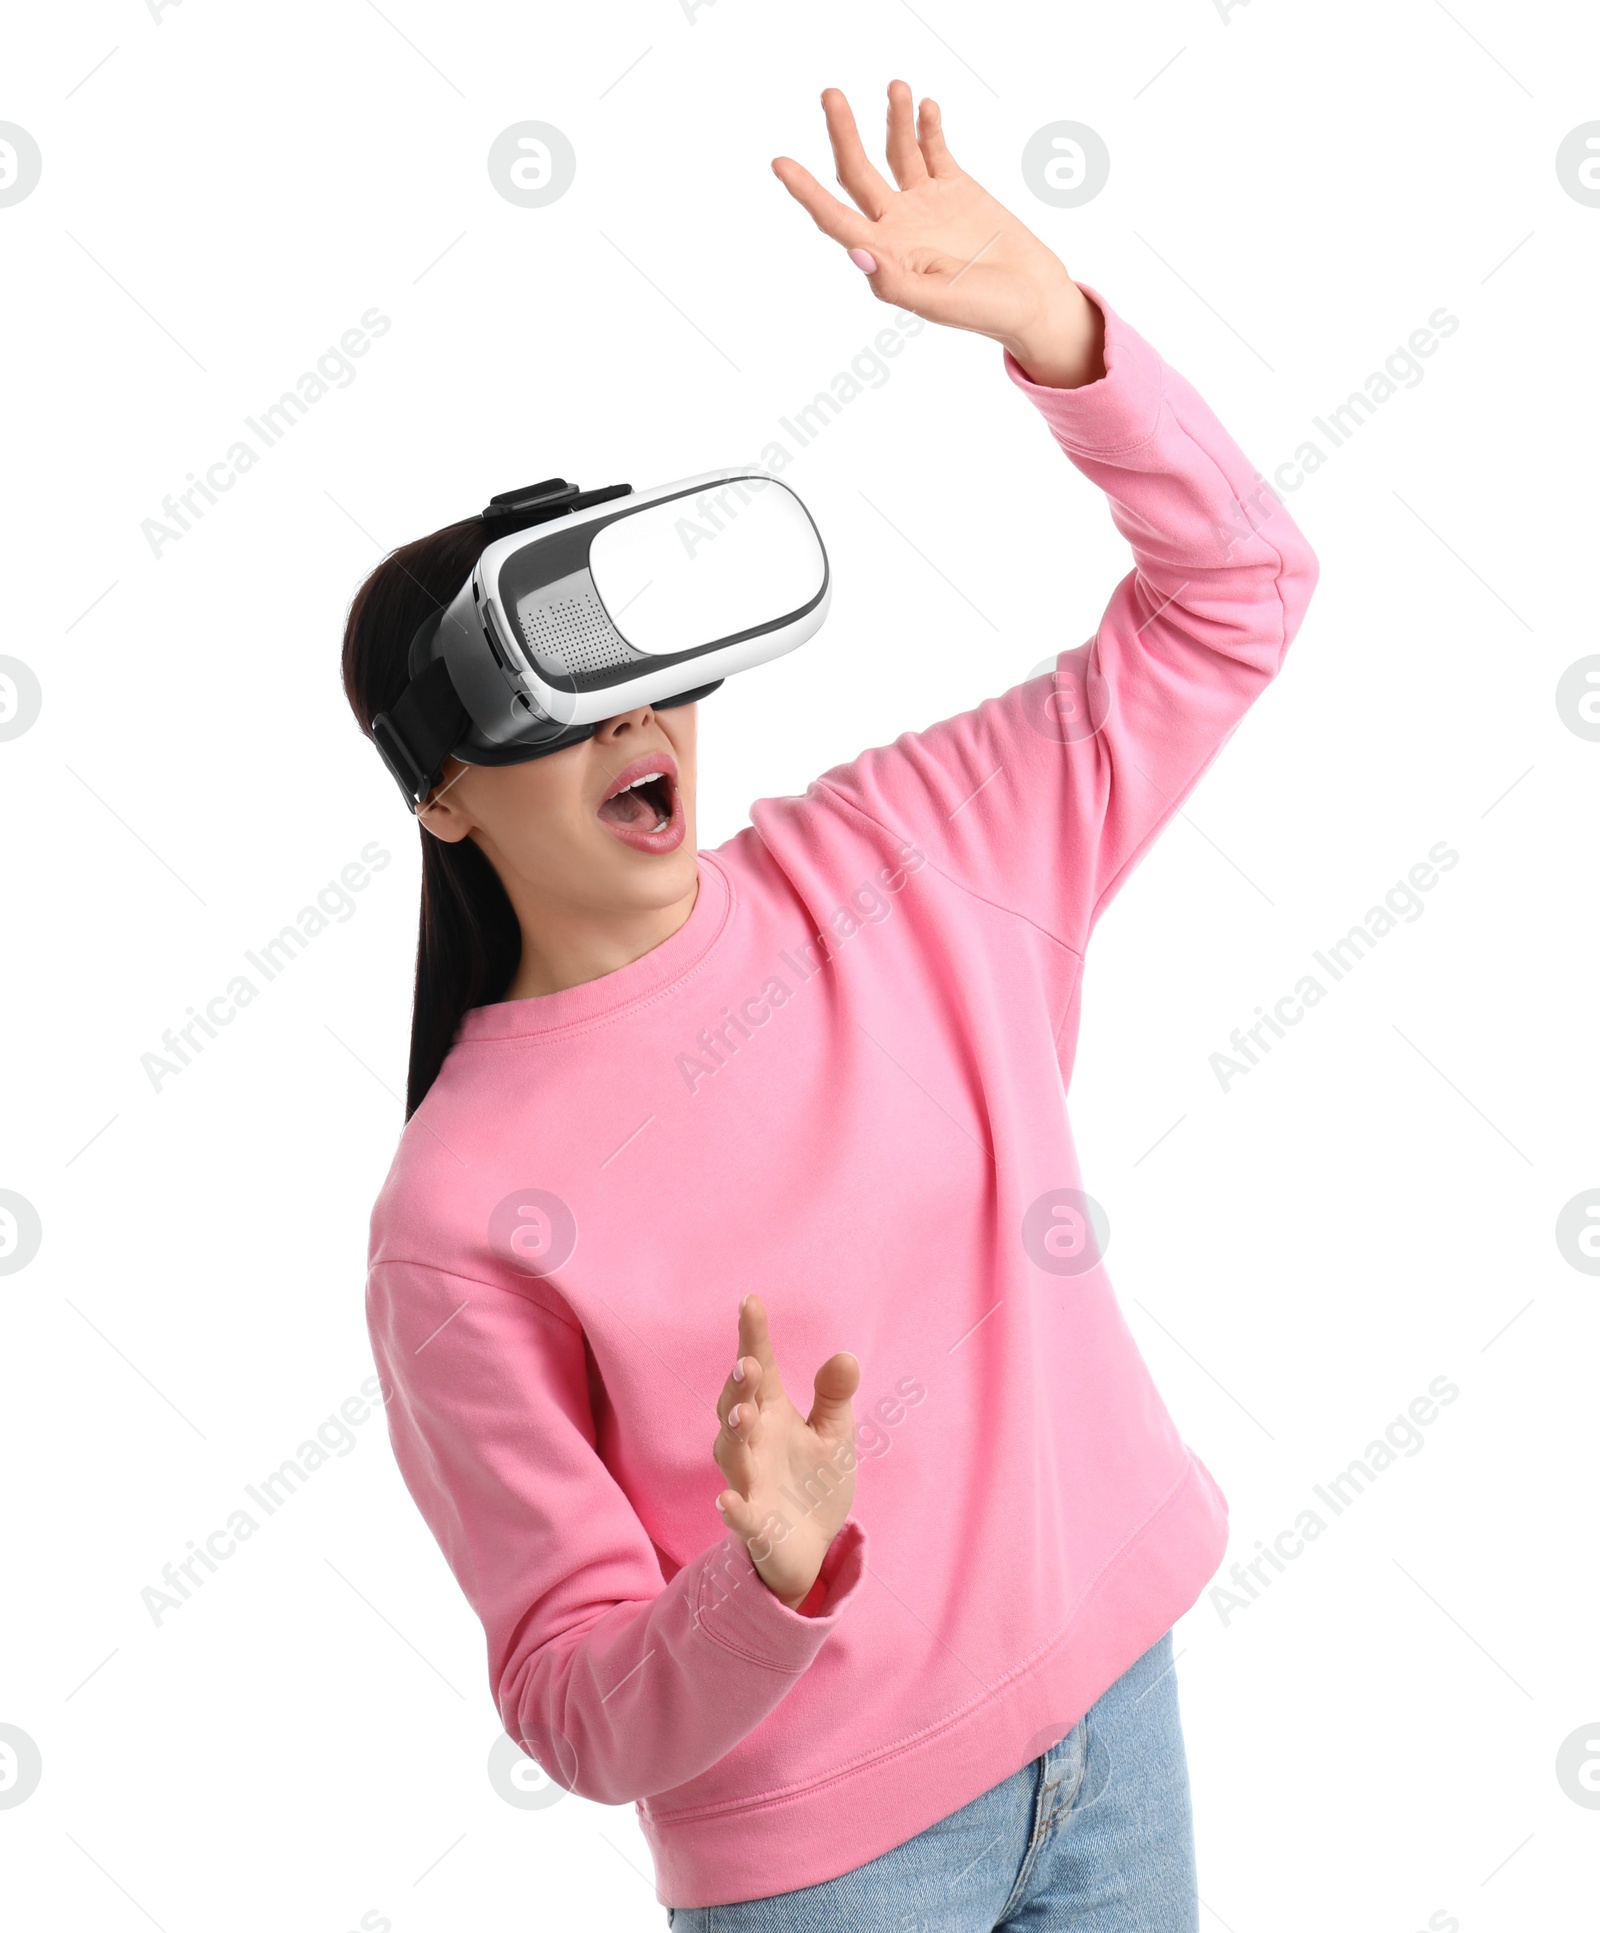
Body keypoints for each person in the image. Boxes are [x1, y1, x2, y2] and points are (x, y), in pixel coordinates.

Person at [344, 80, 1318, 1930]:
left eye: (654, 670)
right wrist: (763, 1578)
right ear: (444, 788)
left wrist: (1064, 337)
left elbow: (1237, 596)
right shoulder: (456, 1218)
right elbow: (570, 1691)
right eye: (560, 692)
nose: (640, 724)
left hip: (1119, 1716)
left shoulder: (912, 856)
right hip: (834, 1869)